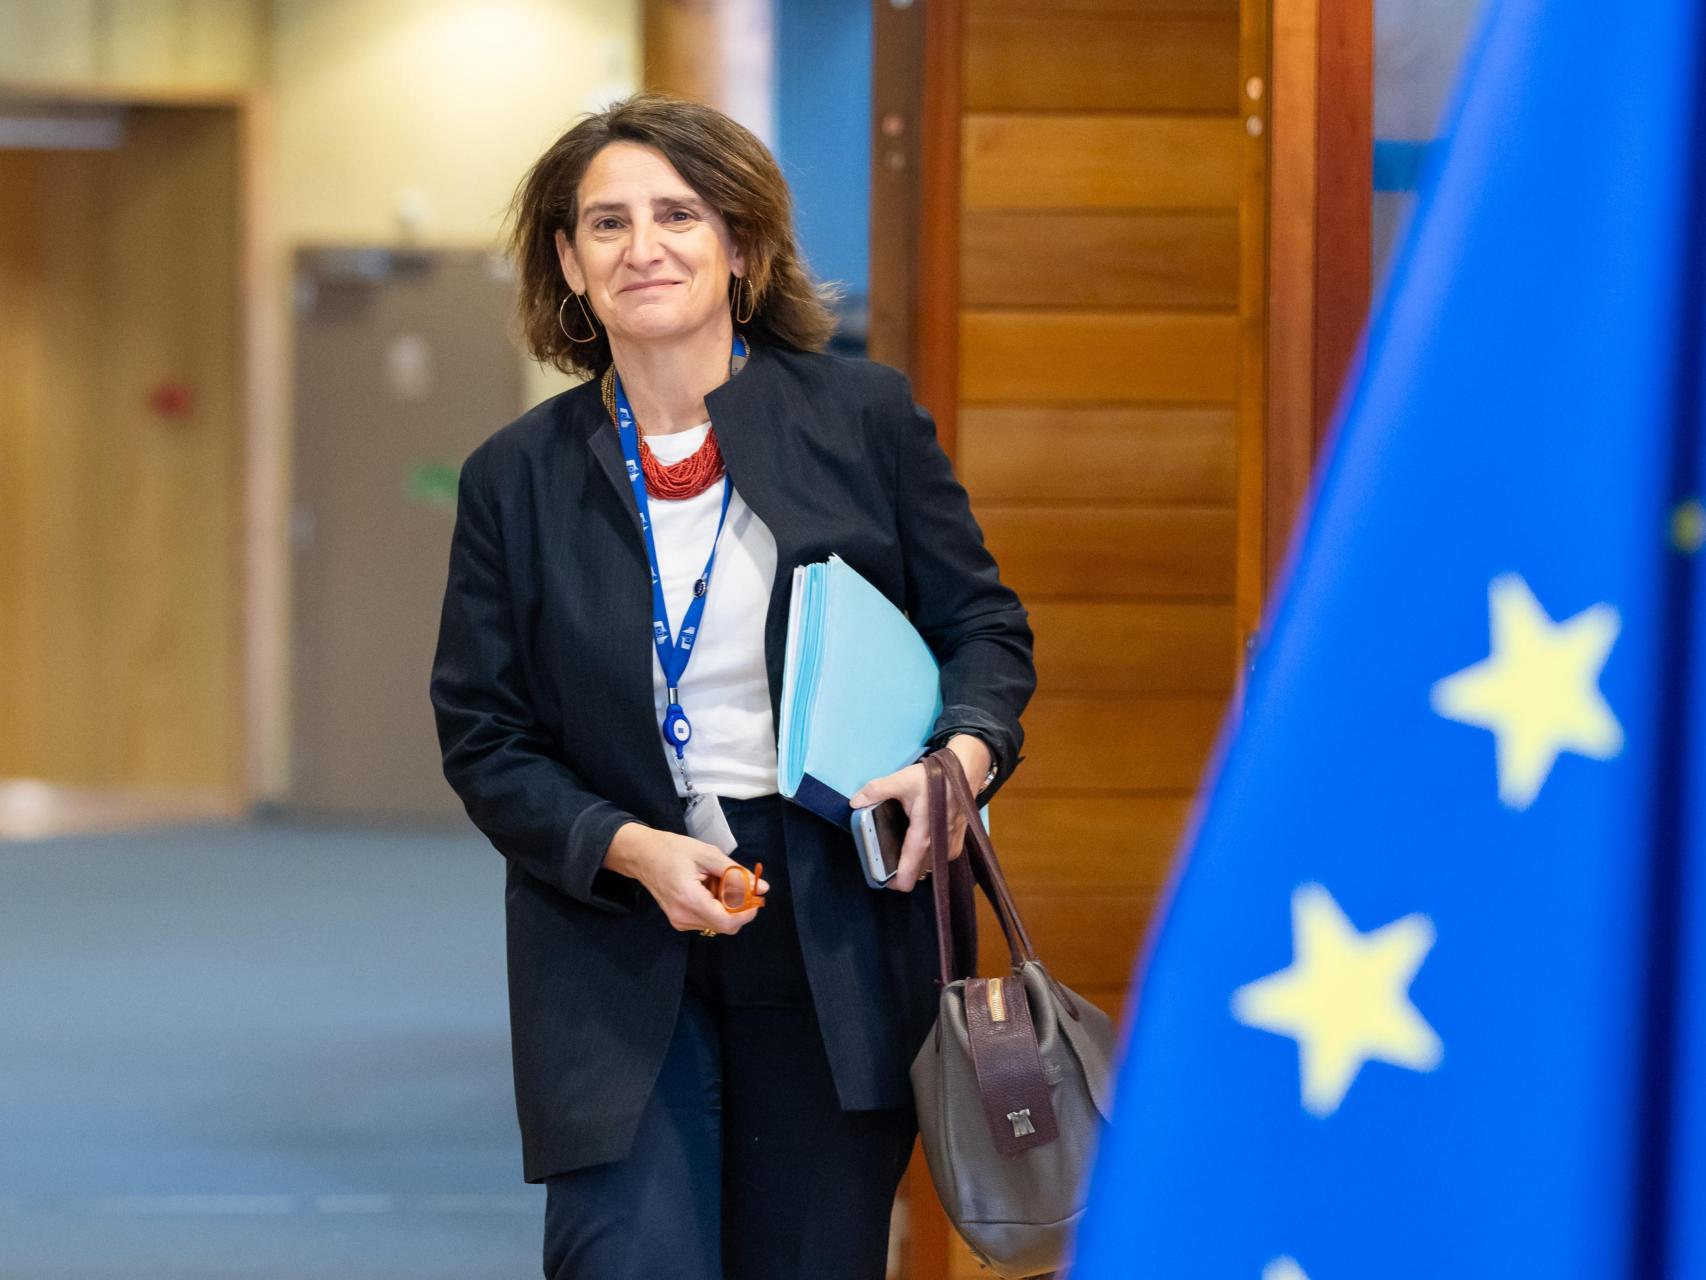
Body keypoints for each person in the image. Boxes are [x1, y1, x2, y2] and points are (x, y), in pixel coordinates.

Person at [430, 91, 1035, 1280]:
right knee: (621, 1256)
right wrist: (625, 846)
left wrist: (957, 757)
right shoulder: (516, 475)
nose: (640, 246)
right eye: (604, 224)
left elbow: (982, 630)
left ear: (741, 247)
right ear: (567, 260)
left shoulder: (861, 419)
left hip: (837, 925)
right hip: (613, 933)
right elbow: (483, 733)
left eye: (677, 214)